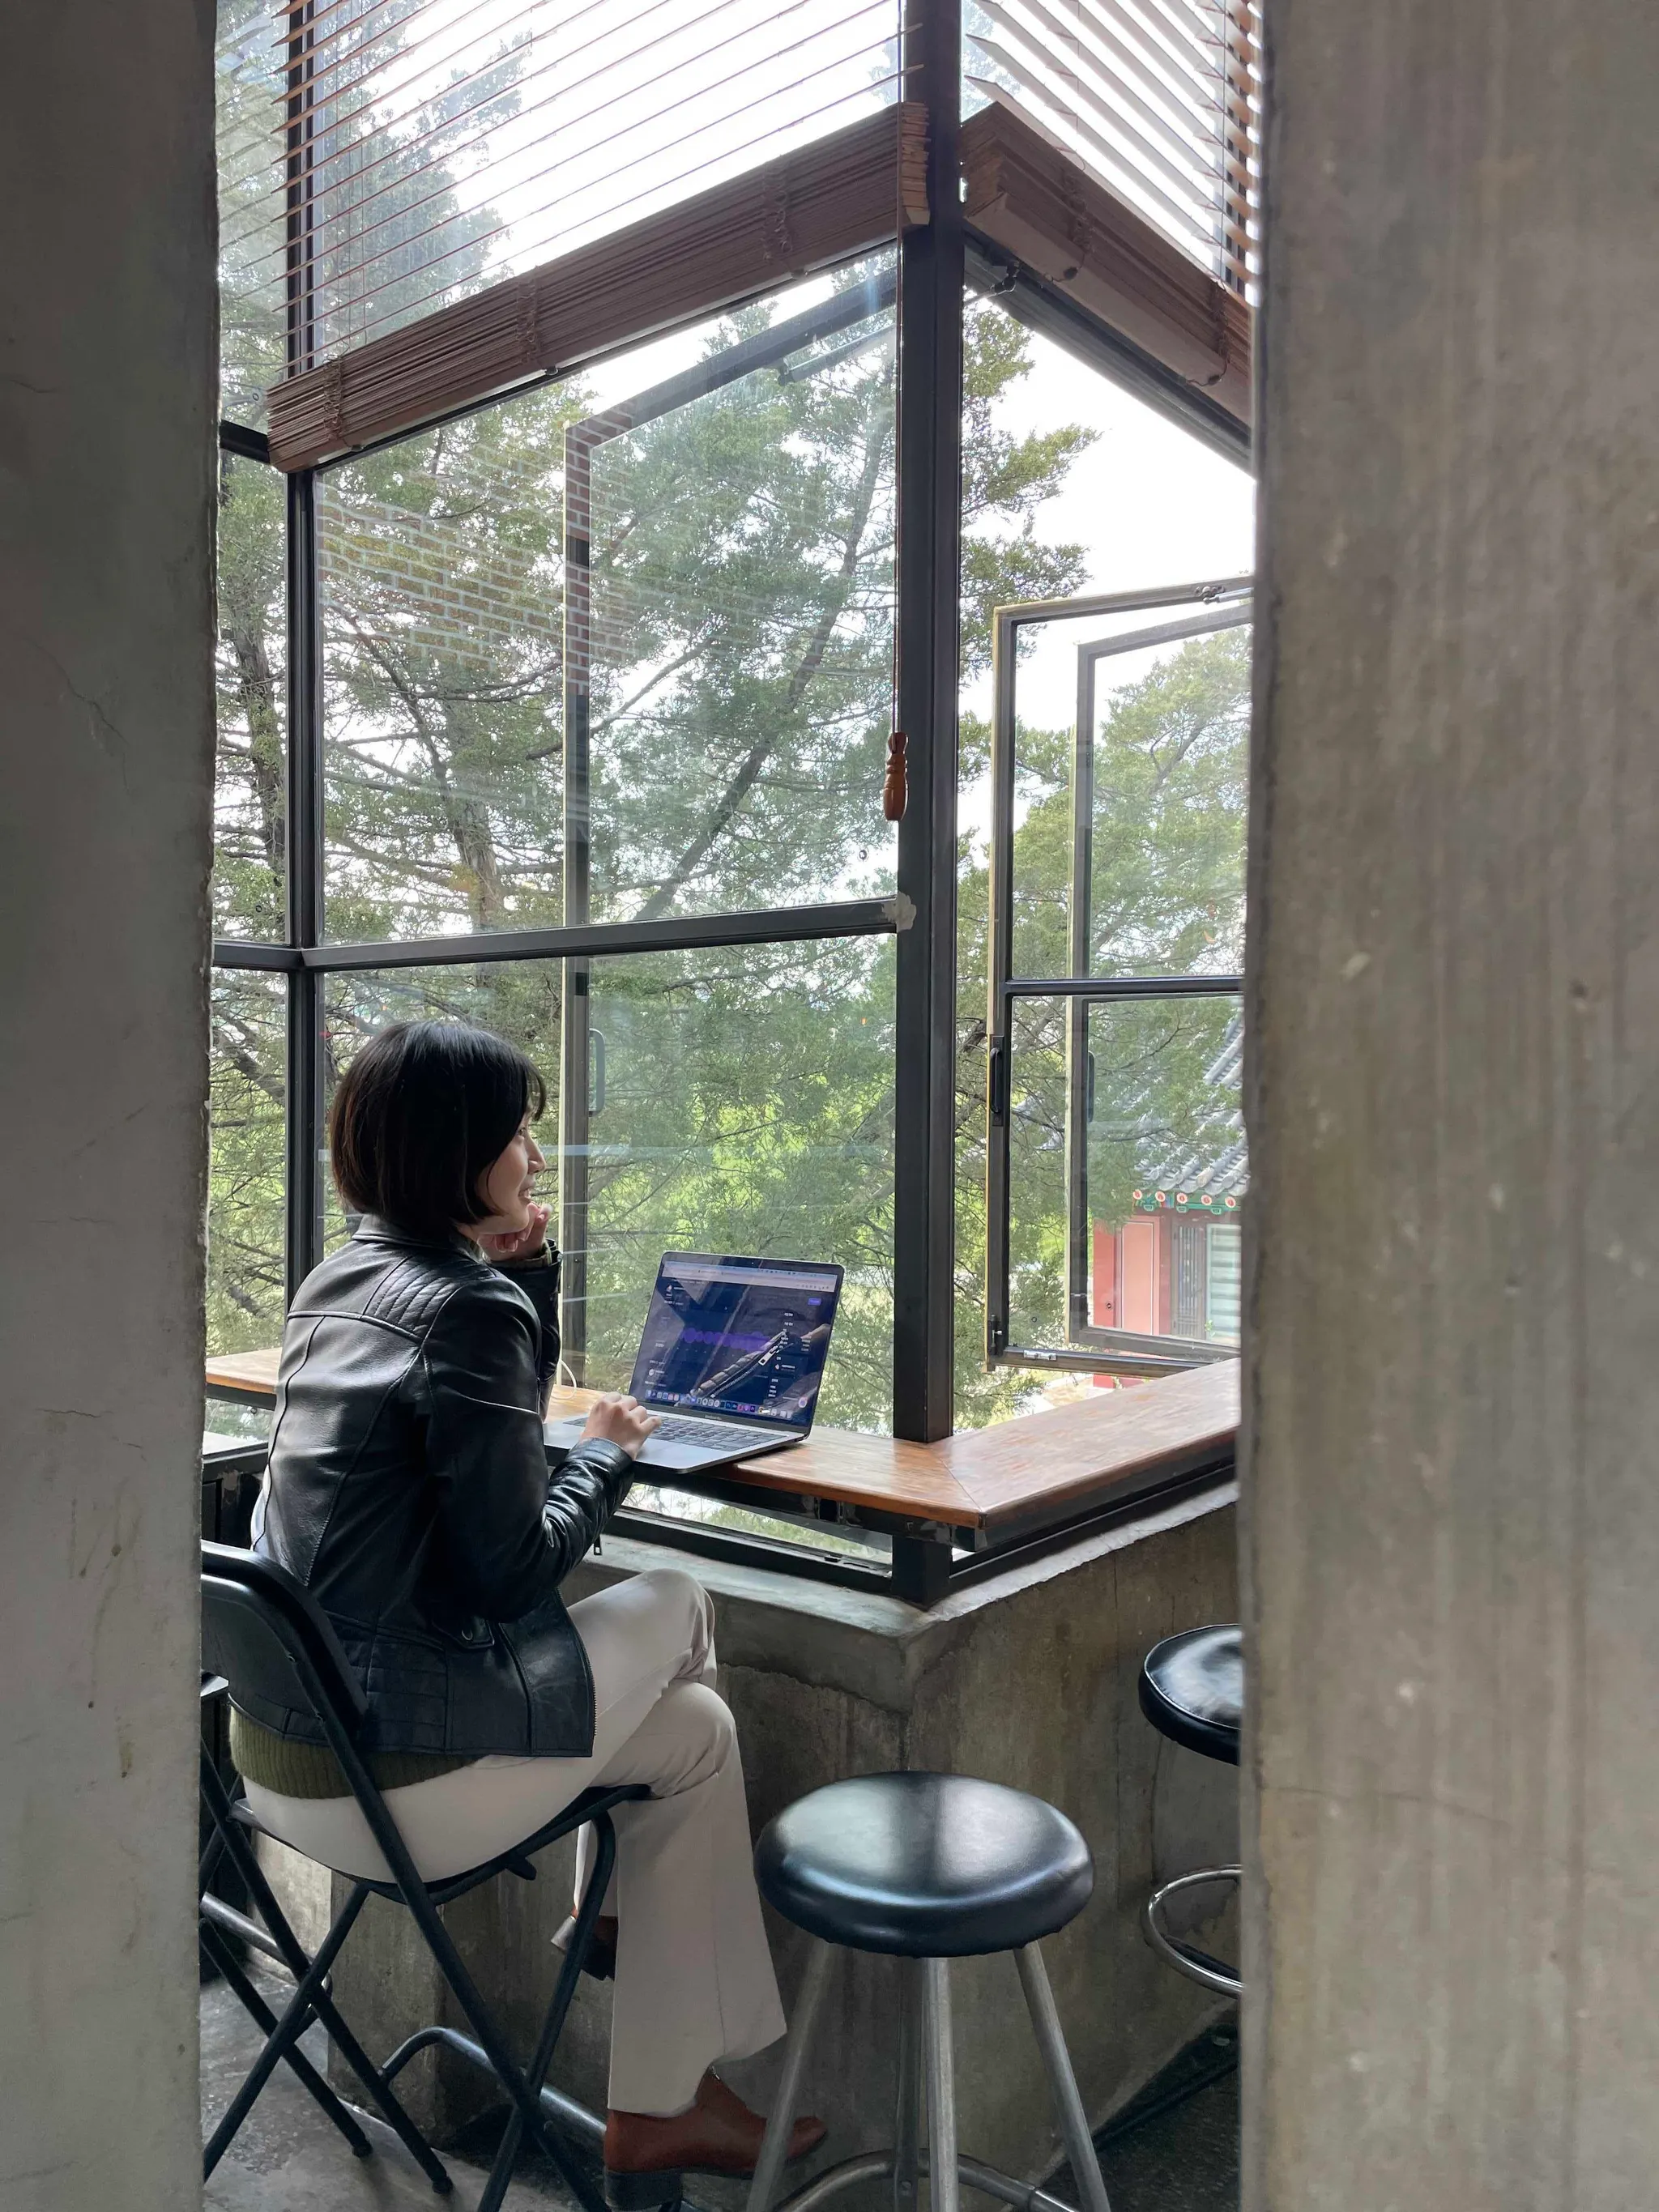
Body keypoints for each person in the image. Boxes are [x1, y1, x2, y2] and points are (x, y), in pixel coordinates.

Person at [235, 1019, 825, 2204]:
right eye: (517, 1133)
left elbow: (465, 1435)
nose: (538, 1156)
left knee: (695, 1734)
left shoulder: (337, 1278)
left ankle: (656, 2103)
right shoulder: (467, 1309)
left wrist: (526, 1271)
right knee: (681, 1597)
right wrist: (605, 1452)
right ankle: (613, 1926)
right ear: (457, 1148)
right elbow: (509, 1574)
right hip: (399, 1787)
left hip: (280, 1763)